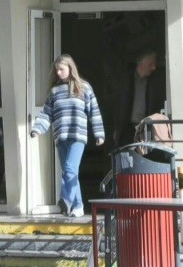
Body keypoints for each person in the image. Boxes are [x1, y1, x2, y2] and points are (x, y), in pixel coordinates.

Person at [30, 54, 105, 218]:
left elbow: (94, 111)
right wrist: (37, 129)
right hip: (60, 137)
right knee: (70, 172)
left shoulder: (84, 88)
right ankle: (78, 205)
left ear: (71, 69)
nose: (58, 73)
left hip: (78, 136)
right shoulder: (55, 91)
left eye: (61, 69)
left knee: (70, 170)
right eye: (56, 70)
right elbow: (46, 114)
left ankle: (65, 199)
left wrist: (99, 134)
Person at [113, 50, 166, 147]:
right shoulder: (125, 79)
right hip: (127, 130)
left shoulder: (155, 82)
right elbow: (118, 105)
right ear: (140, 63)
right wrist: (117, 129)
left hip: (146, 129)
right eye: (150, 64)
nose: (154, 68)